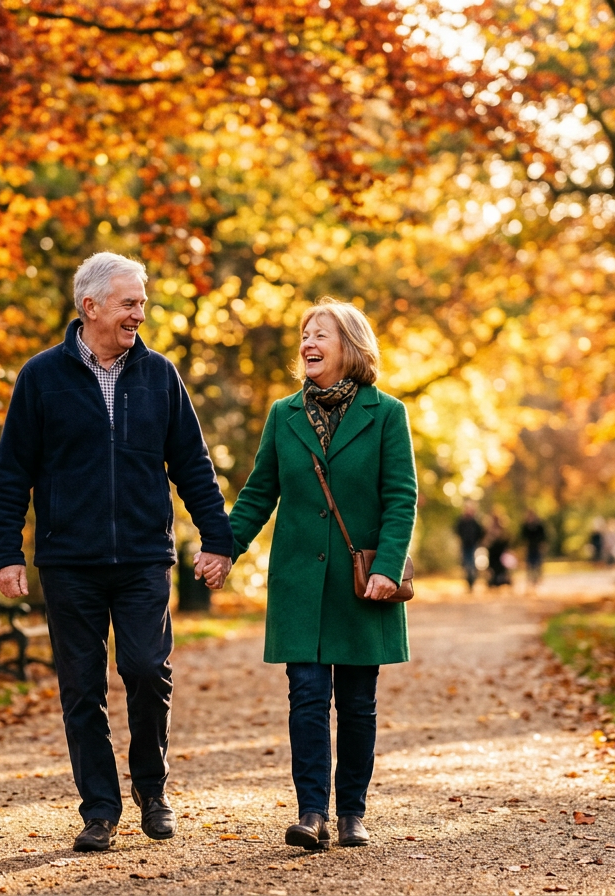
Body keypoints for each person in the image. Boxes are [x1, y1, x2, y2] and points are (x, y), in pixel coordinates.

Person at [0, 252, 234, 853]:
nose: (139, 315)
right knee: (81, 688)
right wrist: (7, 553)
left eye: (142, 303)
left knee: (148, 672)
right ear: (89, 306)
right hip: (69, 562)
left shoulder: (160, 375)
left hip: (145, 558)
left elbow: (193, 465)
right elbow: (11, 473)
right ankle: (99, 807)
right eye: (129, 303)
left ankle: (153, 790)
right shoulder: (41, 377)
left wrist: (218, 539)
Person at [227, 298, 417, 850]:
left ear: (350, 347)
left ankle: (352, 810)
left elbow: (401, 497)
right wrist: (224, 549)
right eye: (304, 336)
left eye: (320, 336)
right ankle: (312, 812)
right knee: (307, 697)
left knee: (357, 702)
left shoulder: (387, 414)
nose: (308, 344)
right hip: (300, 584)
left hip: (362, 586)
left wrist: (386, 566)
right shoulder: (283, 414)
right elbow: (260, 491)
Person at [454, 501, 485, 591]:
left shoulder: (475, 522)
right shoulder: (461, 521)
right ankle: (469, 581)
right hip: (464, 545)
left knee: (472, 563)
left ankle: (472, 580)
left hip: (473, 545)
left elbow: (481, 532)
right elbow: (457, 530)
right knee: (466, 563)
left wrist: (478, 541)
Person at [520, 510, 547, 589]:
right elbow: (523, 538)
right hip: (529, 548)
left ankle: (537, 578)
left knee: (538, 563)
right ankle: (530, 579)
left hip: (537, 547)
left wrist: (542, 545)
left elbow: (543, 537)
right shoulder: (525, 526)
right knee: (529, 564)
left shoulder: (539, 526)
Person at [485, 510, 512, 588]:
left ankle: (501, 580)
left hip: (500, 554)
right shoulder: (489, 529)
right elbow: (486, 542)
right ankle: (494, 581)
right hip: (493, 554)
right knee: (493, 571)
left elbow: (506, 540)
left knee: (501, 571)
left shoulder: (502, 528)